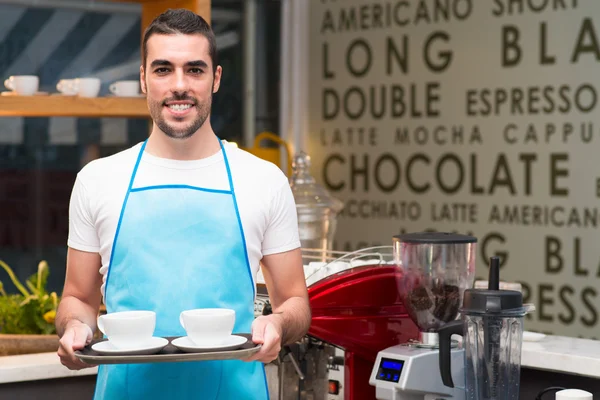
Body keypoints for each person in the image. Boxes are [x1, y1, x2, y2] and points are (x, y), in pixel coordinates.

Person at [55, 8, 311, 400]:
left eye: (194, 69)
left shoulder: (262, 180)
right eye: (162, 70)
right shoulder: (98, 180)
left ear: (216, 78)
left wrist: (278, 323)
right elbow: (77, 297)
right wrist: (76, 328)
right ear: (143, 79)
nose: (179, 86)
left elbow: (295, 300)